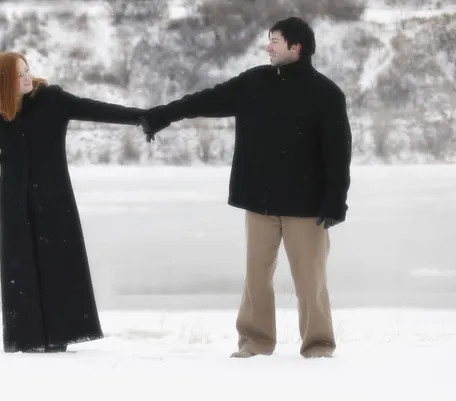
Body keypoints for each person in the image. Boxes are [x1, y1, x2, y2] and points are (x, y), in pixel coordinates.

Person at [140, 17, 352, 358]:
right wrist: (163, 115)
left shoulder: (325, 93)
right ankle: (255, 341)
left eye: (275, 41)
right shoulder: (256, 82)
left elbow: (338, 154)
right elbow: (206, 99)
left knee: (310, 281)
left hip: (307, 205)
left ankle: (319, 345)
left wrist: (335, 202)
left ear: (296, 47)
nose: (268, 46)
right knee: (256, 278)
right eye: (269, 40)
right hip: (260, 199)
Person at [0, 51, 146, 353]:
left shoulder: (52, 100)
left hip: (54, 202)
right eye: (19, 74)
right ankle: (26, 338)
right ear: (3, 81)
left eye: (27, 70)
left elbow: (97, 110)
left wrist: (142, 116)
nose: (27, 77)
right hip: (15, 207)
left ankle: (60, 335)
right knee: (21, 273)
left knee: (59, 268)